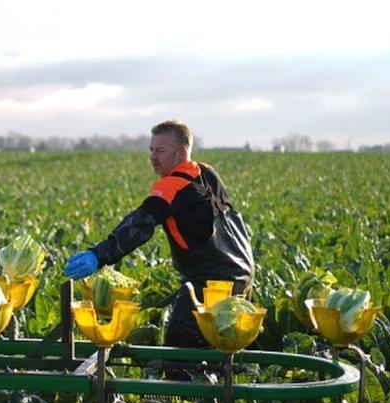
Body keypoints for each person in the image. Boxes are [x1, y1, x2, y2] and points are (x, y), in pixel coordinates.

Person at [63, 119, 254, 349]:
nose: (153, 157)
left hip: (211, 282)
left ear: (181, 153)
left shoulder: (169, 187)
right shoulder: (207, 172)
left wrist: (98, 255)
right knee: (222, 346)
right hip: (243, 274)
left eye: (161, 151)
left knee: (180, 347)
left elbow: (137, 227)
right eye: (151, 150)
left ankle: (185, 383)